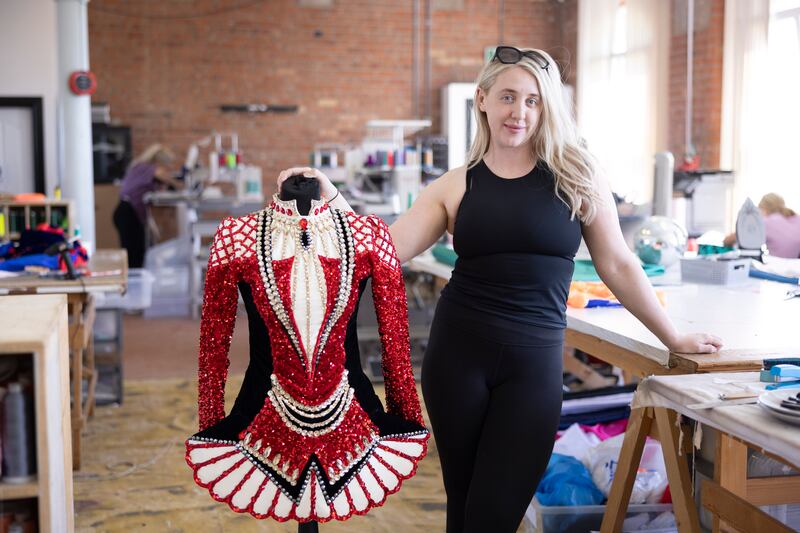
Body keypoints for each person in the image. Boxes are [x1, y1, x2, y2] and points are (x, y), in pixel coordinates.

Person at [277, 46, 722, 533]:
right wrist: (328, 200)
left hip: (533, 366)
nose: (521, 112)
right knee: (463, 506)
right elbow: (383, 248)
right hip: (457, 359)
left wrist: (673, 338)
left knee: (493, 516)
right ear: (483, 100)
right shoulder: (456, 185)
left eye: (533, 101)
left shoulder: (576, 178)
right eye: (509, 97)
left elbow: (617, 262)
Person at [112, 144, 181, 267]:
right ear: (160, 162)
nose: (167, 168)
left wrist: (151, 225)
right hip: (128, 213)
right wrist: (181, 184)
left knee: (136, 253)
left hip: (126, 212)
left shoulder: (139, 167)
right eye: (166, 165)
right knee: (134, 255)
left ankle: (134, 283)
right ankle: (133, 285)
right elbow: (167, 179)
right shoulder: (148, 168)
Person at [723, 193, 800, 258]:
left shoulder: (766, 222)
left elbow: (728, 240)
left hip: (777, 269)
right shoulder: (796, 218)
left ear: (764, 209)